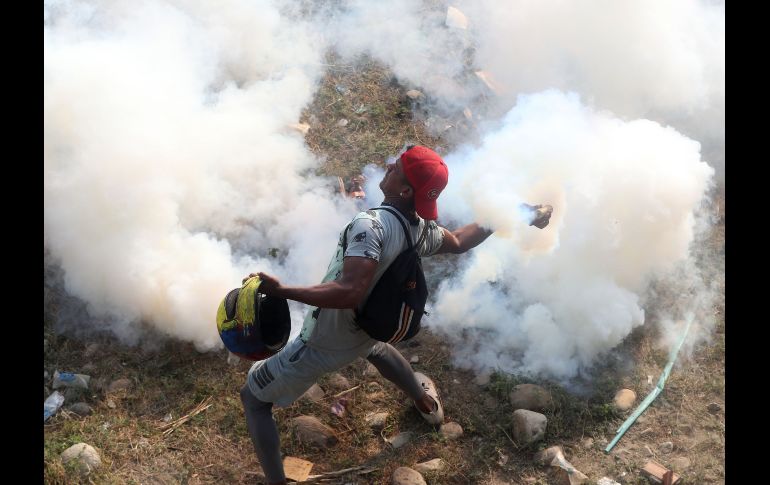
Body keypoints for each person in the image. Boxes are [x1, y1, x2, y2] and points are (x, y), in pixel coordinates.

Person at [240, 145, 552, 484]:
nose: (388, 166)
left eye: (396, 168)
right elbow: (460, 240)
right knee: (375, 348)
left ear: (405, 190)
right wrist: (519, 212)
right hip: (371, 326)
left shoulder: (369, 226)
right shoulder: (417, 227)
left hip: (326, 339)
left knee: (253, 399)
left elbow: (349, 292)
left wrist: (282, 290)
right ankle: (425, 403)